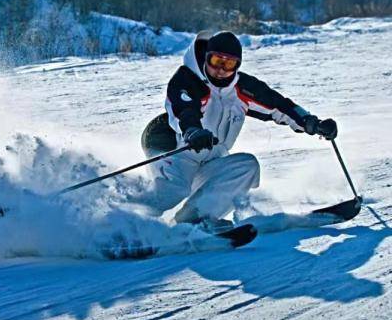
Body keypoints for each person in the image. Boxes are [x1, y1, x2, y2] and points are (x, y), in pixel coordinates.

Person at [141, 31, 337, 231]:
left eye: (228, 64)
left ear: (238, 65)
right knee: (173, 191)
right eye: (216, 60)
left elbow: (280, 106)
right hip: (171, 145)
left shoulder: (243, 89)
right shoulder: (188, 80)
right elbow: (185, 110)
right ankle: (123, 225)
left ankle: (194, 220)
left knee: (246, 167)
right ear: (206, 56)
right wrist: (192, 131)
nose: (220, 70)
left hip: (210, 158)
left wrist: (312, 123)